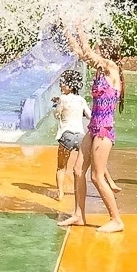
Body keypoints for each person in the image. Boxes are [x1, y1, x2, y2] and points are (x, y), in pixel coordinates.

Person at [61, 23, 125, 232]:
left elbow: (87, 52)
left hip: (104, 131)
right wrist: (67, 29)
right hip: (93, 129)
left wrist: (79, 26)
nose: (93, 53)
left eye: (97, 49)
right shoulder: (100, 70)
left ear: (105, 53)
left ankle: (116, 219)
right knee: (78, 170)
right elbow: (80, 52)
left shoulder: (111, 69)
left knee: (97, 176)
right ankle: (79, 214)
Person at [51, 69, 89, 200]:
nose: (60, 85)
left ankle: (60, 193)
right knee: (80, 169)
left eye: (63, 83)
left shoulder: (62, 99)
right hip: (80, 136)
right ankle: (78, 192)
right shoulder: (81, 100)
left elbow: (57, 115)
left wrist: (55, 105)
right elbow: (89, 116)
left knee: (61, 167)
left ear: (71, 86)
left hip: (66, 136)